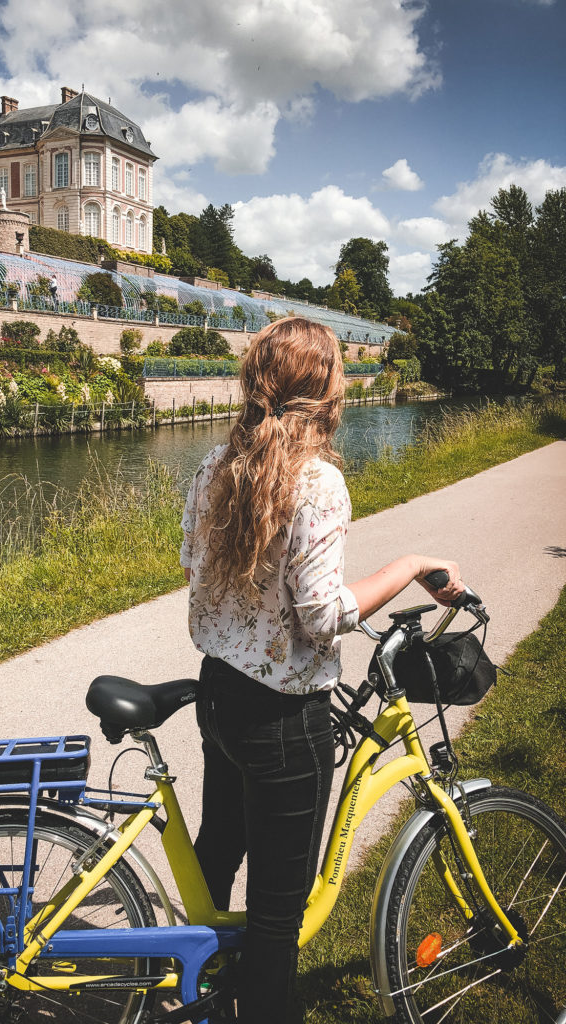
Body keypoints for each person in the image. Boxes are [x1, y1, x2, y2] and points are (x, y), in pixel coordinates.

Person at [180, 318, 463, 1024]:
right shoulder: (319, 482)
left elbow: (193, 567)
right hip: (282, 720)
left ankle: (195, 990)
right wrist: (407, 567)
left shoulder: (215, 464)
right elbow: (318, 615)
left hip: (218, 696)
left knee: (218, 853)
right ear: (326, 392)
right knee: (279, 914)